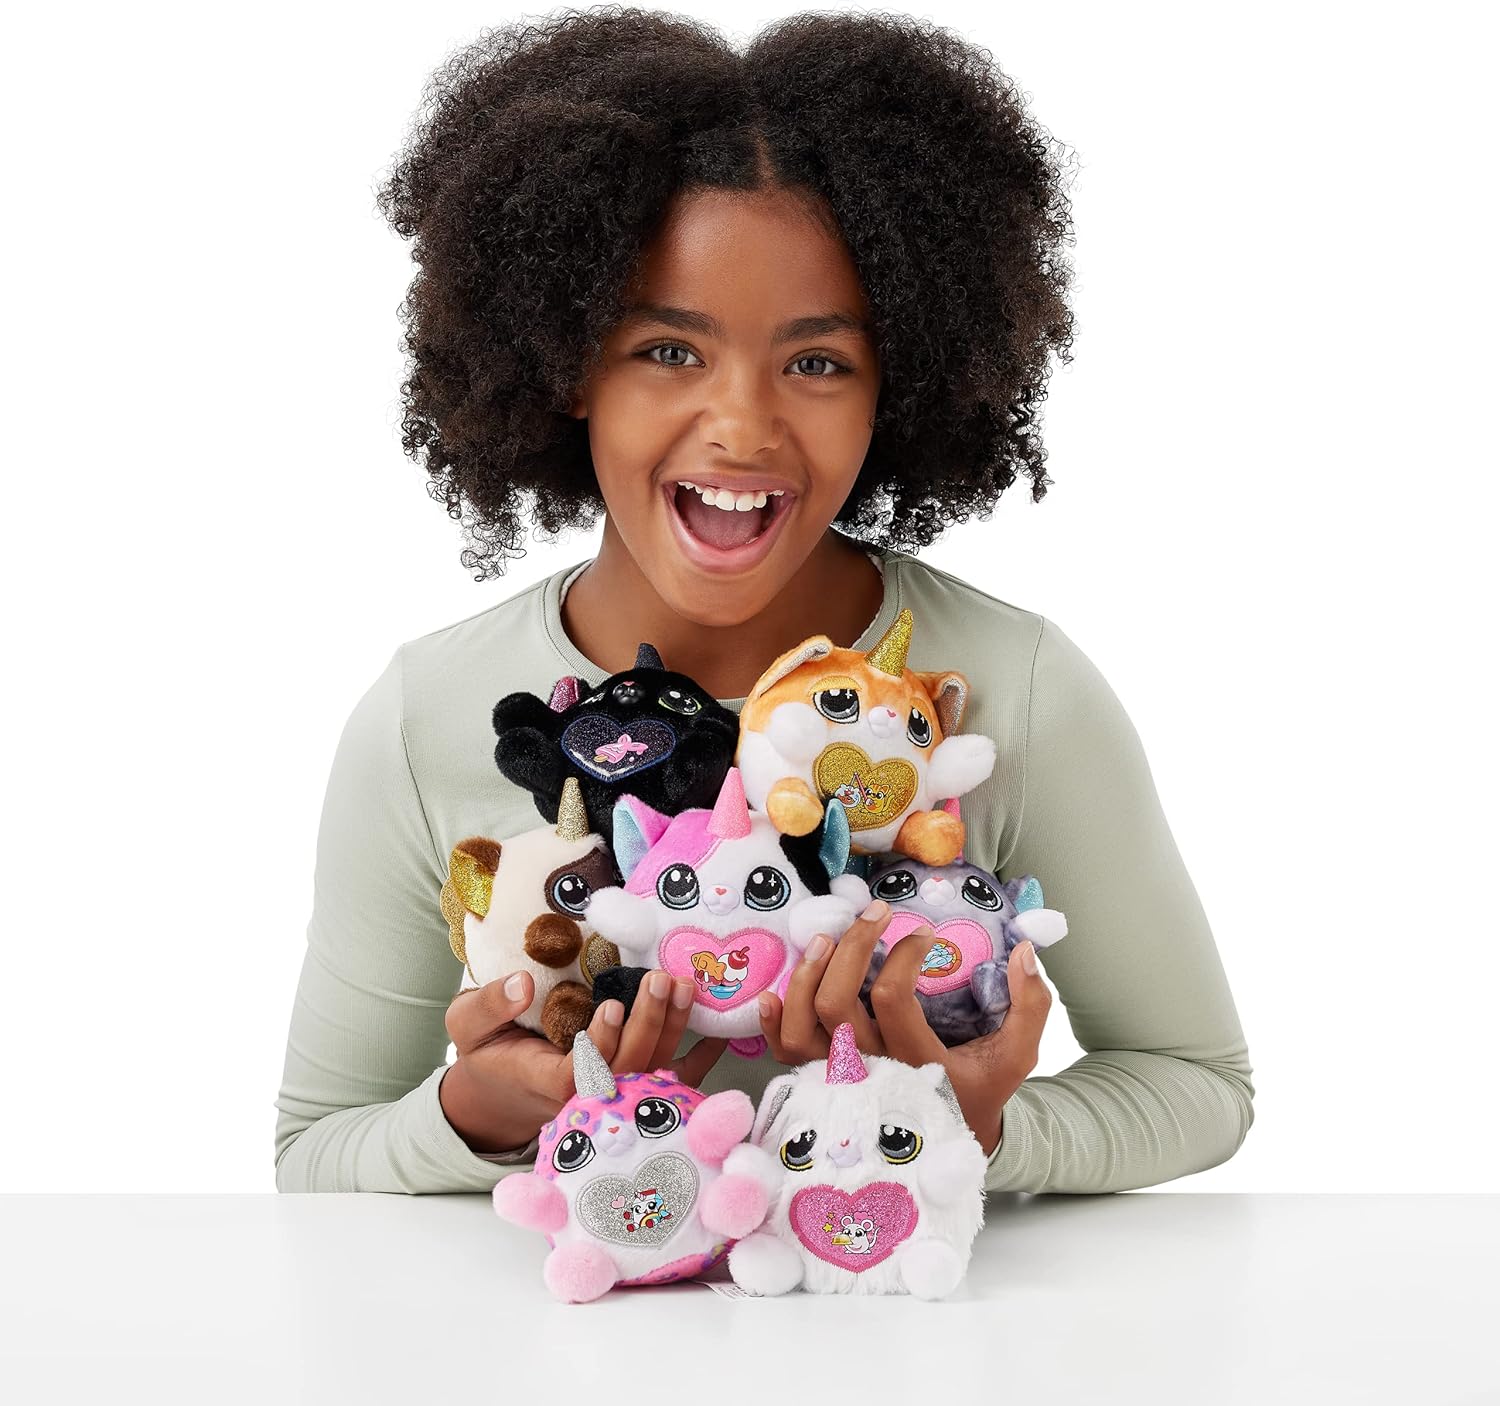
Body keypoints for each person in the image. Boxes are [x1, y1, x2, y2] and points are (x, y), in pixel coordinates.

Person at [274, 7, 1254, 1195]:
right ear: (568, 363)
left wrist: (971, 1123)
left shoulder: (1017, 688)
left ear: (898, 385)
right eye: (668, 350)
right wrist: (478, 1114)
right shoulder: (426, 713)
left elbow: (1198, 1080)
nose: (742, 425)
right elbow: (314, 1147)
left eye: (817, 362)